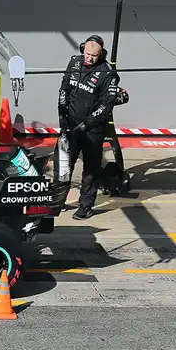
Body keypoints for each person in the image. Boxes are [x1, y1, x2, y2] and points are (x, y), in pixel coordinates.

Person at [57, 35, 120, 220]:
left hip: (92, 130)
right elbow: (64, 89)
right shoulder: (74, 63)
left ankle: (85, 206)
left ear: (100, 54)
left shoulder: (108, 74)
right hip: (70, 125)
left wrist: (86, 125)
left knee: (91, 170)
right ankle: (57, 201)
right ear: (82, 49)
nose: (89, 58)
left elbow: (105, 107)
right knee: (63, 164)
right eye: (87, 54)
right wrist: (62, 115)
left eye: (94, 55)